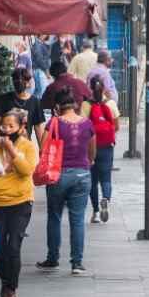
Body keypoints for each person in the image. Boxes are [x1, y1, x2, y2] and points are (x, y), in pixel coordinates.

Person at [0, 110, 38, 297]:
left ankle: (11, 289)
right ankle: (6, 281)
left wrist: (12, 151)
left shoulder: (28, 147)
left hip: (20, 203)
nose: (6, 130)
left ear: (21, 128)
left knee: (13, 245)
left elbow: (27, 170)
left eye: (11, 126)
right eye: (4, 126)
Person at [36, 89, 95, 276]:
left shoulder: (54, 122)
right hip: (82, 175)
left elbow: (43, 148)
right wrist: (87, 163)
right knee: (77, 220)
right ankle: (77, 263)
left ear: (57, 107)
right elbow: (92, 151)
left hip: (58, 176)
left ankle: (53, 258)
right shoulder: (87, 123)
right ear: (75, 105)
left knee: (54, 216)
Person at [85, 75, 119, 225]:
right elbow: (116, 126)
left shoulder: (86, 105)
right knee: (106, 178)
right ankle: (106, 198)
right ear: (104, 87)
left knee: (92, 181)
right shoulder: (110, 104)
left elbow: (82, 126)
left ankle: (96, 212)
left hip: (91, 146)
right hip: (107, 146)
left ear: (90, 88)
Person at [0, 67, 46, 144]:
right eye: (16, 80)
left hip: (24, 146)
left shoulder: (35, 102)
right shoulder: (3, 99)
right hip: (5, 144)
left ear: (28, 82)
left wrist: (42, 150)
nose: (19, 83)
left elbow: (39, 127)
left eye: (23, 80)